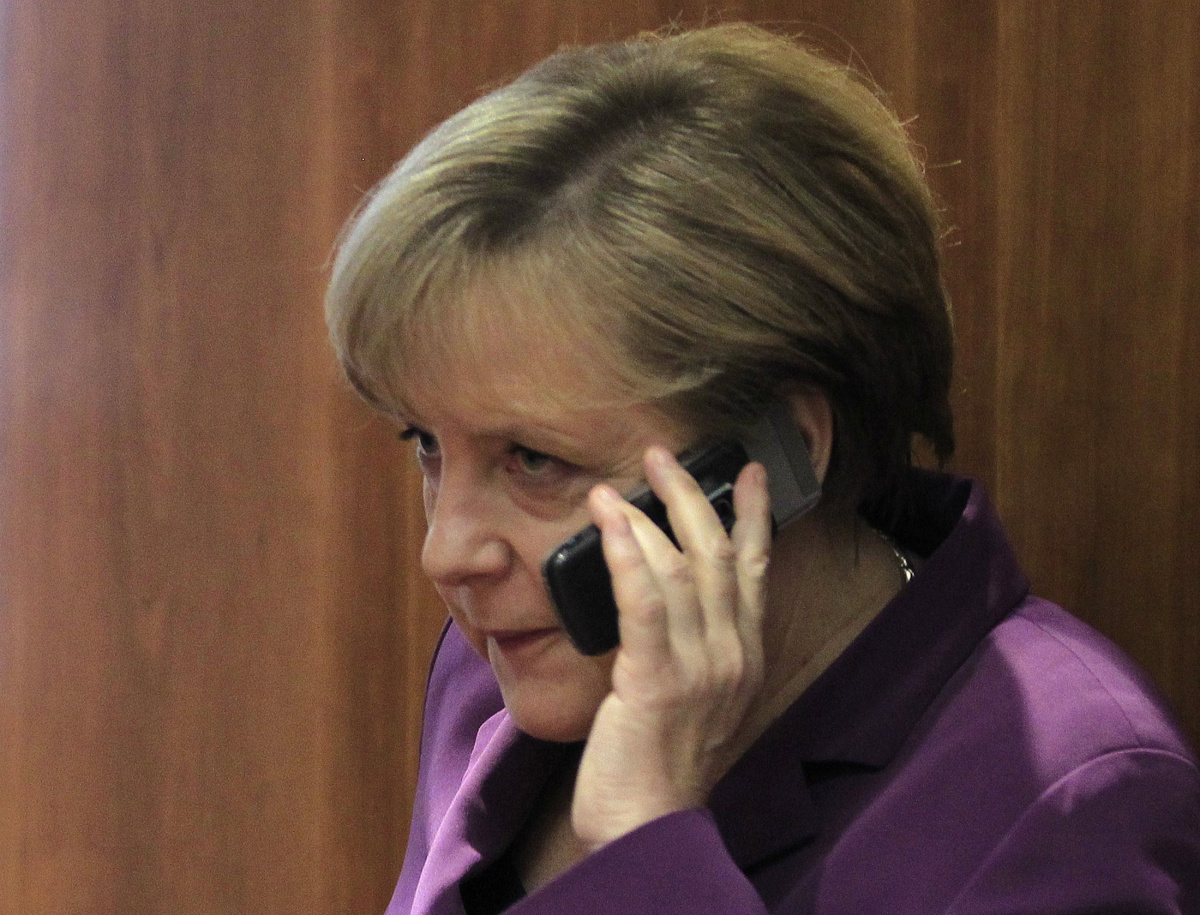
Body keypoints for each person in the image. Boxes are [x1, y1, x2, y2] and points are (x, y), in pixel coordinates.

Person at [325, 23, 1200, 915]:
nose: (447, 551)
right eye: (428, 445)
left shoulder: (1069, 798)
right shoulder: (514, 665)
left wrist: (644, 837)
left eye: (533, 459)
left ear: (781, 453)